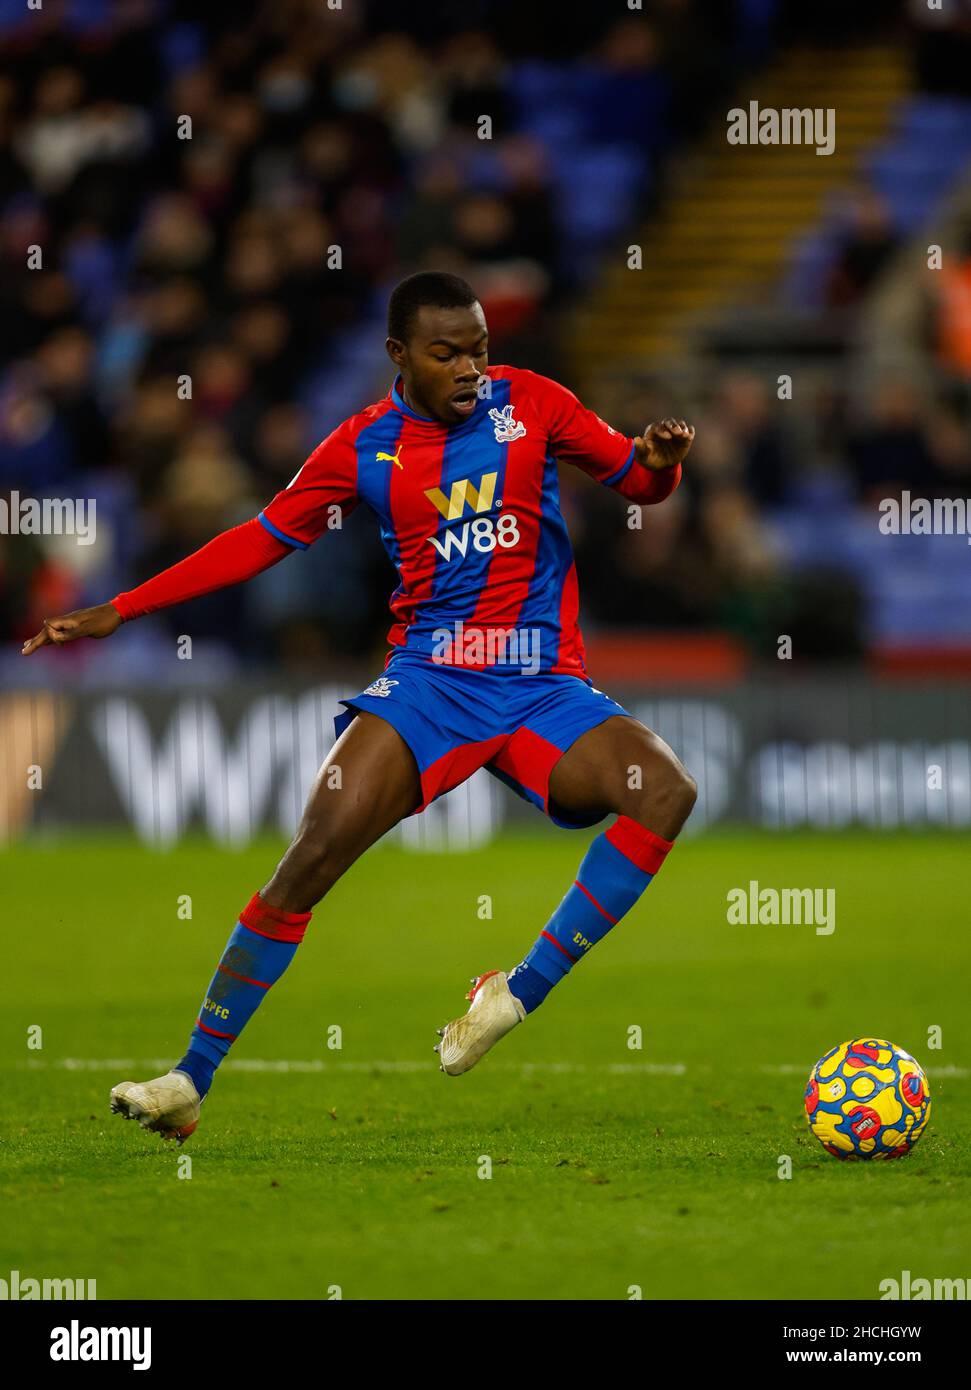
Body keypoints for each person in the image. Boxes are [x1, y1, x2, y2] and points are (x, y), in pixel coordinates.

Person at [22, 271, 697, 1142]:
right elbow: (260, 538)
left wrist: (659, 465)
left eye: (478, 350)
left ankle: (511, 996)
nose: (468, 368)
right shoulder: (361, 446)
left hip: (538, 684)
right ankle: (191, 1078)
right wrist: (127, 607)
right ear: (398, 356)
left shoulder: (533, 404)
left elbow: (635, 485)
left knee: (666, 791)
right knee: (308, 859)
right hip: (427, 687)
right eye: (446, 352)